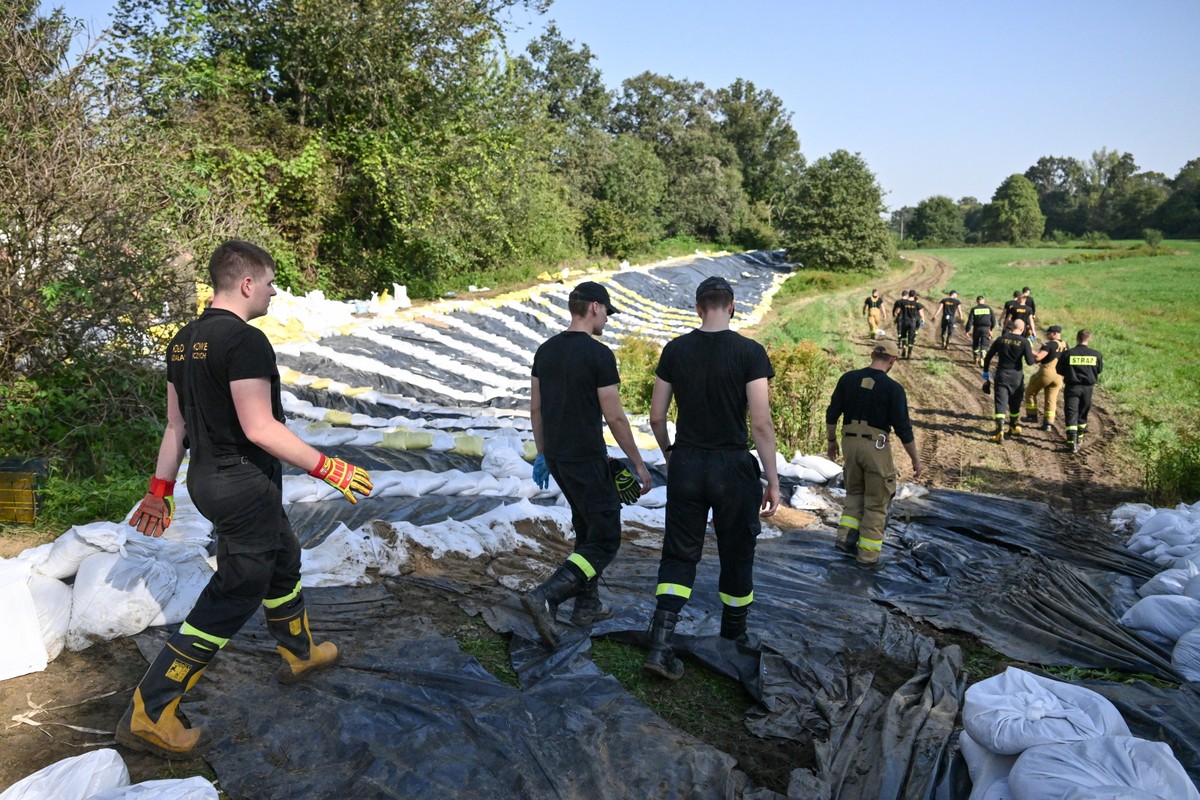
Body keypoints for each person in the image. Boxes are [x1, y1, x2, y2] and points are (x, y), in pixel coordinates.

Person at [118, 240, 374, 759]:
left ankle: (299, 652)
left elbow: (175, 427)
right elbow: (260, 428)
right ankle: (150, 708)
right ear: (247, 283)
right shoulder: (245, 341)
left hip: (207, 480)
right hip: (243, 485)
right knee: (237, 590)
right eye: (272, 281)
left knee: (284, 556)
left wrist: (160, 490)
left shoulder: (183, 341)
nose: (277, 291)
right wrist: (330, 467)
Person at [642, 276, 780, 680]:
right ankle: (733, 639)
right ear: (732, 306)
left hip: (686, 464)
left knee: (679, 552)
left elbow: (655, 415)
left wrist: (671, 453)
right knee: (737, 550)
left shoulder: (675, 350)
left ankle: (661, 643)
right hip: (732, 468)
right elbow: (761, 421)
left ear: (698, 308)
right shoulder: (750, 352)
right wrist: (772, 479)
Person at [521, 281, 652, 648]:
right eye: (608, 312)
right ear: (595, 307)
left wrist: (544, 454)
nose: (608, 319)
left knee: (587, 528)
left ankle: (587, 605)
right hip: (585, 457)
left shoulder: (545, 351)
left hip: (560, 458)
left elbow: (535, 408)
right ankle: (547, 595)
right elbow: (616, 417)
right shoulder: (599, 355)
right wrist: (639, 464)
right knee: (606, 538)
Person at [826, 339, 922, 569]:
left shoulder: (848, 378)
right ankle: (867, 558)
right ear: (892, 360)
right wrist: (915, 459)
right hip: (875, 446)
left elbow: (832, 413)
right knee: (877, 502)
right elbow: (903, 428)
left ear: (872, 354)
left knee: (854, 494)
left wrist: (831, 441)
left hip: (849, 443)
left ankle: (845, 542)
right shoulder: (893, 389)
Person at [982, 318, 1036, 443]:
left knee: (1000, 402)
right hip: (1016, 376)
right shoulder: (1024, 342)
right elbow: (1030, 362)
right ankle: (1013, 427)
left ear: (1012, 327)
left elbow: (988, 357)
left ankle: (999, 432)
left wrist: (985, 374)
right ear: (1022, 329)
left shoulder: (1001, 339)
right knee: (1015, 401)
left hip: (1001, 375)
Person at [1057, 329, 1104, 453]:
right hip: (1088, 388)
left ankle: (1071, 441)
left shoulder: (1068, 353)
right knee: (1083, 411)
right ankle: (1080, 436)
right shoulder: (1096, 354)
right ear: (1089, 339)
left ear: (1077, 338)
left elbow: (1059, 370)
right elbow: (1098, 370)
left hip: (1072, 387)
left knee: (1071, 412)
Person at [1022, 325, 1065, 430]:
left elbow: (1038, 357)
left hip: (1046, 373)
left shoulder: (1049, 344)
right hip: (1059, 375)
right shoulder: (1065, 344)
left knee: (1030, 392)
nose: (1046, 334)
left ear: (1055, 333)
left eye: (1049, 333)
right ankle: (1048, 423)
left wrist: (1027, 347)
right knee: (1051, 399)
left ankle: (1031, 416)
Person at [895, 290, 925, 359]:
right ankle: (909, 353)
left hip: (904, 321)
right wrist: (923, 320)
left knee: (903, 336)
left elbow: (897, 311)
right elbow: (921, 314)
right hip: (912, 323)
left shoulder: (903, 302)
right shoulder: (917, 304)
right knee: (911, 338)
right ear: (914, 296)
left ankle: (904, 348)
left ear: (908, 295)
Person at [968, 295, 996, 367]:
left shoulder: (974, 309)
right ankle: (983, 356)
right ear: (983, 301)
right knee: (984, 344)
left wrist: (967, 330)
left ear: (977, 301)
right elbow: (993, 320)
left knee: (976, 343)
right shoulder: (989, 309)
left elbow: (970, 321)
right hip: (986, 329)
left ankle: (976, 357)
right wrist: (991, 329)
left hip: (977, 328)